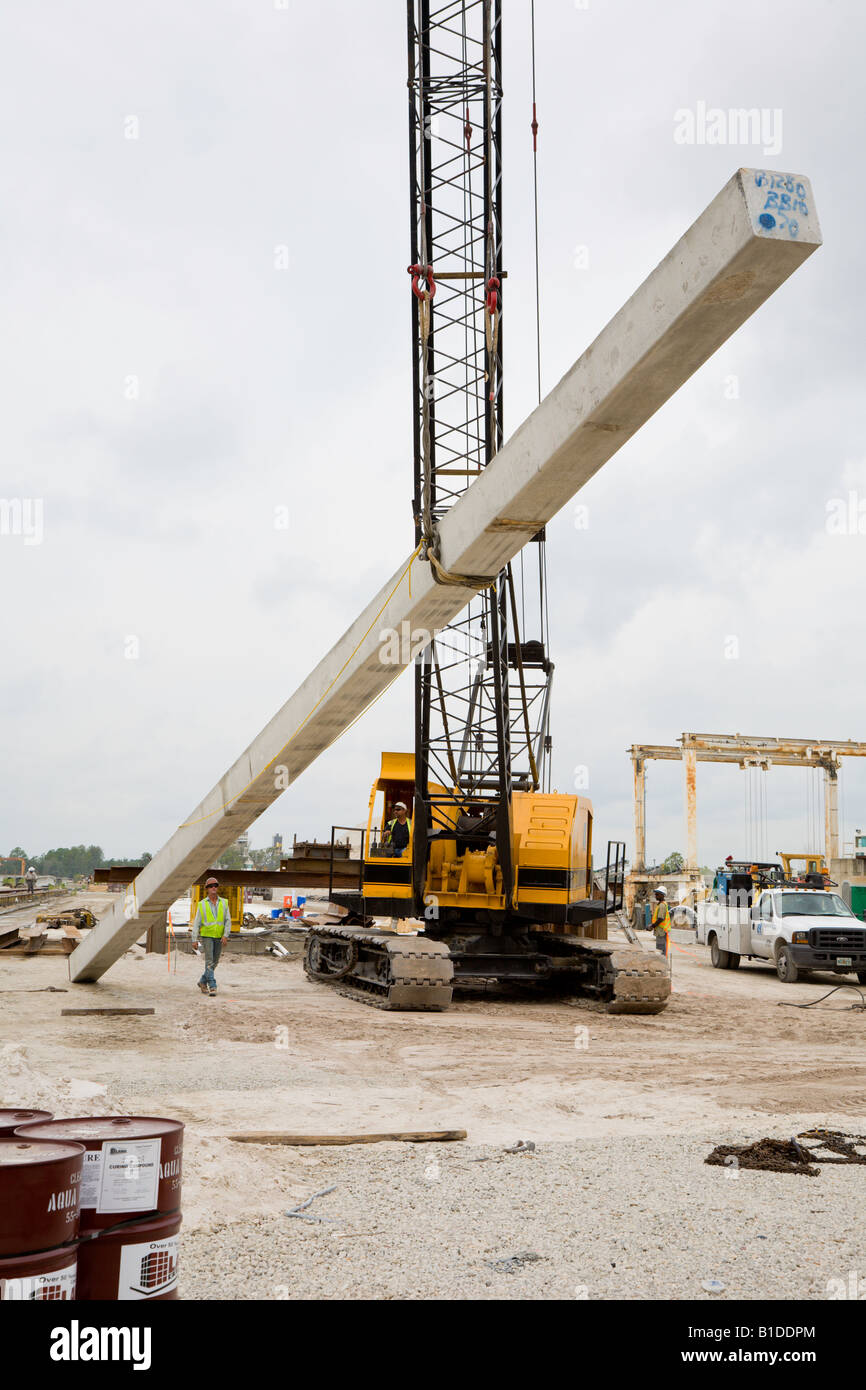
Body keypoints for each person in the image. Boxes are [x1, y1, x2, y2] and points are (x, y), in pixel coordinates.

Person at [190, 877, 231, 996]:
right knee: (209, 961)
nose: (213, 887)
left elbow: (228, 920)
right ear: (207, 889)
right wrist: (194, 939)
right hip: (207, 936)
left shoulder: (224, 902)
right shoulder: (202, 904)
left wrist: (225, 935)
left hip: (219, 936)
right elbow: (197, 923)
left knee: (215, 962)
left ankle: (202, 981)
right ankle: (212, 986)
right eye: (211, 886)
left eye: (215, 885)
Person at [651, 886, 671, 957]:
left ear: (662, 895)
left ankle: (663, 966)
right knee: (661, 950)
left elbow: (660, 918)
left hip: (661, 932)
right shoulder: (661, 905)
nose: (655, 896)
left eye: (657, 894)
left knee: (661, 951)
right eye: (655, 894)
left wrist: (652, 926)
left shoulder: (662, 905)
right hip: (661, 931)